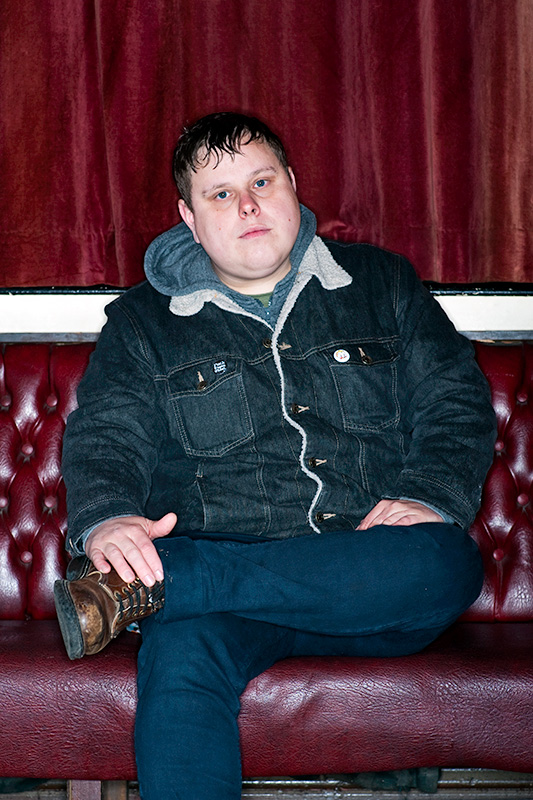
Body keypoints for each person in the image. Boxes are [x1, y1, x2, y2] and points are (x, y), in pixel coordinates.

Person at [55, 112, 496, 799]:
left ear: (292, 183)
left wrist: (429, 493)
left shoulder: (384, 284)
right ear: (189, 217)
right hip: (229, 606)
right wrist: (108, 518)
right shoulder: (139, 324)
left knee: (445, 559)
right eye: (220, 194)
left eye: (261, 180)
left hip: (373, 580)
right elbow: (107, 434)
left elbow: (455, 402)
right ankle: (186, 585)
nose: (249, 205)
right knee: (180, 659)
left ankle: (172, 580)